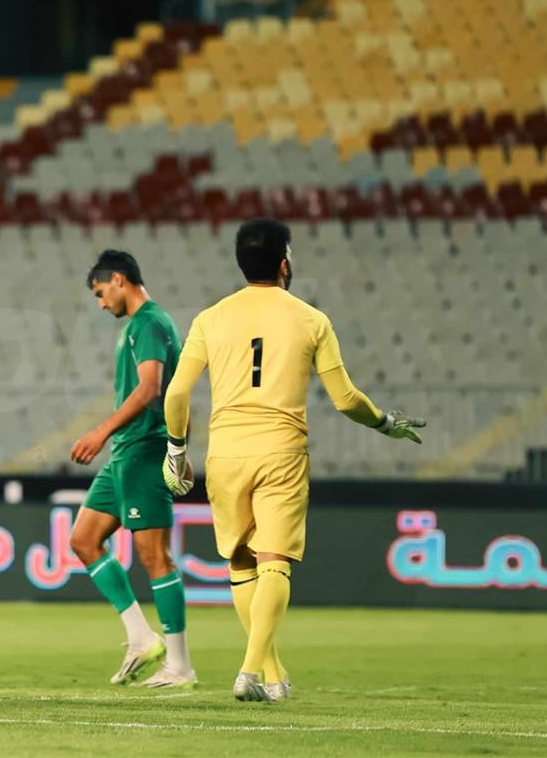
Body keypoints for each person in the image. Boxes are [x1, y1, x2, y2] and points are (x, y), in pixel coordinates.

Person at [162, 218, 426, 703]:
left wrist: (176, 450)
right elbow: (345, 399)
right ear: (284, 262)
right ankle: (248, 672)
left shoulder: (210, 318)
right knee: (274, 561)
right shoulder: (310, 319)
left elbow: (177, 392)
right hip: (280, 450)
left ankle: (274, 675)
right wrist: (386, 423)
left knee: (241, 562)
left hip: (225, 452)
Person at [67, 250, 197, 689]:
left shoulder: (151, 322)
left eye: (101, 293)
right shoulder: (138, 327)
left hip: (142, 449)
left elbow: (150, 390)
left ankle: (180, 666)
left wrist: (99, 432)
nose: (101, 303)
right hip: (125, 452)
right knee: (84, 539)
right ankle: (141, 637)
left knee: (153, 556)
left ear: (119, 280)